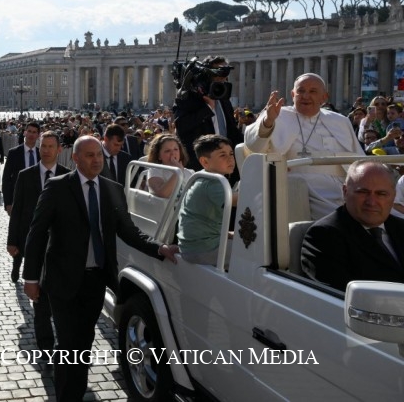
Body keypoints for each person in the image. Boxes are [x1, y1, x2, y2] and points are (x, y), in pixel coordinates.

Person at [22, 136, 178, 400]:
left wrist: (158, 248)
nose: (96, 160)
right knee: (69, 344)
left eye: (99, 156)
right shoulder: (57, 187)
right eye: (90, 155)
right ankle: (66, 396)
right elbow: (37, 234)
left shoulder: (112, 188)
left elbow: (129, 231)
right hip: (63, 281)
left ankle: (76, 391)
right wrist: (31, 278)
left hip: (95, 282)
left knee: (83, 343)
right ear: (75, 158)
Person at [244, 73, 365, 220]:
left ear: (324, 97)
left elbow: (359, 159)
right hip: (300, 185)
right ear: (293, 94)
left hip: (343, 187)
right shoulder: (276, 114)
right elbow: (253, 145)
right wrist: (268, 122)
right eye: (301, 91)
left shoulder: (340, 121)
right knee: (348, 219)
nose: (306, 96)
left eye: (313, 91)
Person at [7, 131, 69, 355]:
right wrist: (13, 241)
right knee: (39, 299)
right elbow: (17, 211)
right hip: (34, 246)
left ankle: (64, 341)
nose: (46, 150)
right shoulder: (26, 175)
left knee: (61, 297)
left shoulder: (68, 176)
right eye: (44, 146)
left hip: (61, 248)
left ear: (59, 150)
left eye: (51, 146)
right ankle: (45, 345)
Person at [301, 160, 404, 291]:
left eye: (381, 194)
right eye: (363, 192)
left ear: (393, 196)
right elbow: (338, 299)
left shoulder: (400, 228)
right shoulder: (323, 236)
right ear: (345, 192)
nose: (371, 202)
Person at [173, 55, 242, 183]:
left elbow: (232, 131)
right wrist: (207, 108)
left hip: (226, 167)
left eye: (224, 77)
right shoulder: (187, 98)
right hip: (201, 167)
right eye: (218, 76)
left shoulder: (224, 99)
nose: (222, 81)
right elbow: (181, 126)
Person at [177, 135, 237, 266]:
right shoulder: (213, 183)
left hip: (195, 245)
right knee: (258, 251)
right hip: (203, 249)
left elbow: (203, 220)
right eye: (222, 155)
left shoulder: (203, 177)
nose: (230, 158)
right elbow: (243, 200)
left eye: (231, 153)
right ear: (205, 162)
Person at [2, 121, 40, 215]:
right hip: (19, 199)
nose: (31, 134)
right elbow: (6, 179)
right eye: (29, 131)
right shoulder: (14, 153)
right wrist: (8, 203)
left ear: (38, 135)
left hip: (38, 201)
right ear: (25, 133)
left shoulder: (42, 154)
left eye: (34, 132)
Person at [145, 133, 194, 198]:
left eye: (176, 149)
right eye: (167, 151)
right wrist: (179, 172)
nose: (173, 153)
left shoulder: (190, 172)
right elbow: (162, 194)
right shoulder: (155, 170)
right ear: (159, 156)